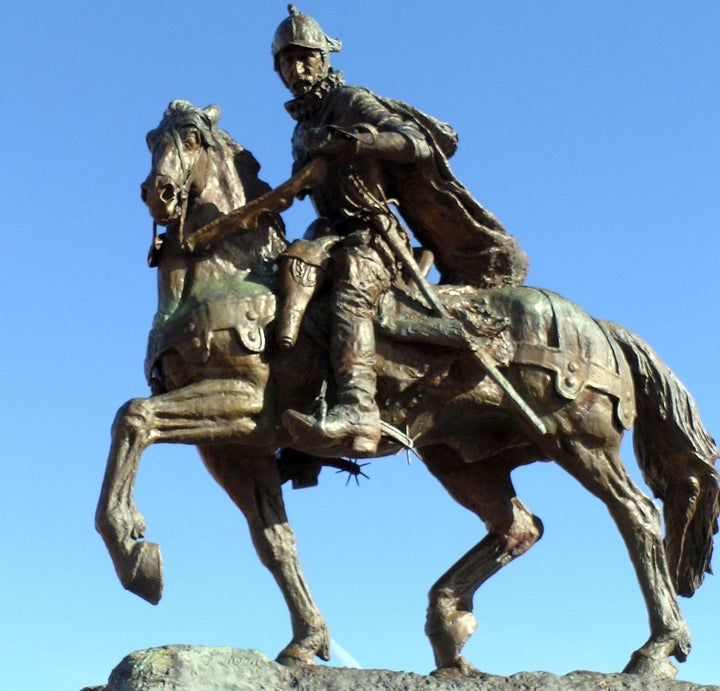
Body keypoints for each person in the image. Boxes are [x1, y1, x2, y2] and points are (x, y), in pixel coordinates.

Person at [274, 5, 528, 456]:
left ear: (322, 58)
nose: (295, 70)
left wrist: (352, 140)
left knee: (352, 284)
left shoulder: (349, 101)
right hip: (330, 233)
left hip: (376, 238)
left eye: (303, 58)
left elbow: (415, 142)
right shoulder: (301, 128)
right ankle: (300, 429)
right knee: (284, 284)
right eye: (285, 63)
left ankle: (358, 407)